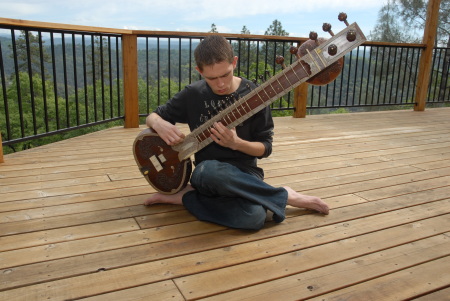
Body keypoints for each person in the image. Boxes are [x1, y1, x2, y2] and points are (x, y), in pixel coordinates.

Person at [144, 35, 329, 230]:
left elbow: (265, 148)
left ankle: (186, 198)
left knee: (254, 218)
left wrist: (236, 144)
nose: (220, 84)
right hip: (207, 176)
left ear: (234, 62)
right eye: (212, 78)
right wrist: (159, 123)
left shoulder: (256, 95)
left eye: (225, 74)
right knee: (209, 170)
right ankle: (285, 196)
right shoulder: (194, 94)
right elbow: (153, 116)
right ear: (199, 71)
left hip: (247, 177)